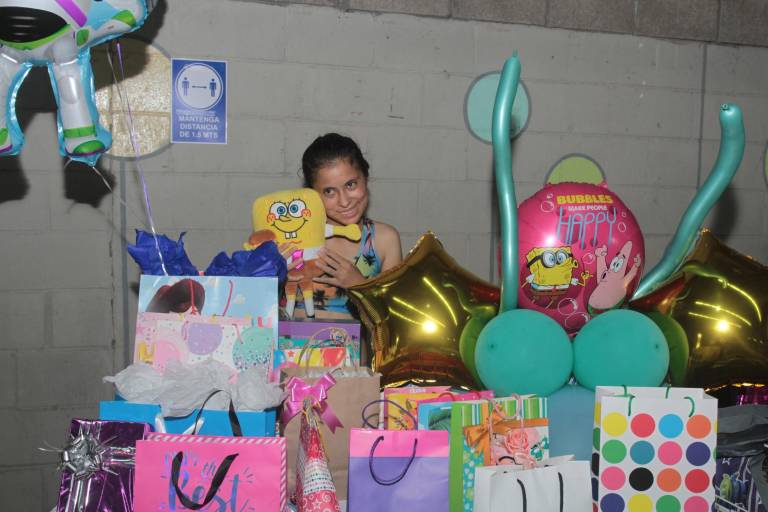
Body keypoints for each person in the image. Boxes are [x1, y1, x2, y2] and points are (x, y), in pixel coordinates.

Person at [295, 132, 402, 318]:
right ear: (312, 194)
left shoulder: (384, 240)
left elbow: (394, 318)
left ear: (366, 177)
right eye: (329, 191)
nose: (344, 201)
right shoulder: (294, 236)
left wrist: (358, 285)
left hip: (360, 338)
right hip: (292, 338)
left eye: (351, 184)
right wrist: (272, 272)